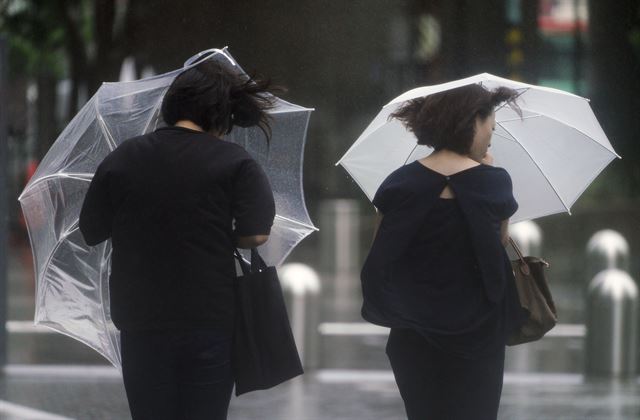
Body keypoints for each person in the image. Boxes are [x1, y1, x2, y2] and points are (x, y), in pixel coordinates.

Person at [79, 56, 277, 420]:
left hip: (141, 319)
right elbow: (256, 234)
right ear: (218, 113)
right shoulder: (235, 162)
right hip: (210, 317)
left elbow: (92, 230)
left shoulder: (123, 158)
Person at [360, 84, 527, 420]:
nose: (490, 138)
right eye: (490, 130)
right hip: (478, 332)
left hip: (414, 331)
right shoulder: (494, 183)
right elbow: (500, 242)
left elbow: (382, 250)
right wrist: (487, 170)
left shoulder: (399, 183)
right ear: (473, 122)